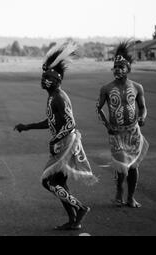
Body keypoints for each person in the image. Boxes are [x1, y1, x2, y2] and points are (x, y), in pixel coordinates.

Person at [14, 42, 98, 230]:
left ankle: (80, 208)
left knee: (48, 181)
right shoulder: (52, 96)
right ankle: (73, 220)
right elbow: (51, 121)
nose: (43, 80)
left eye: (48, 77)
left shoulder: (59, 97)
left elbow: (70, 123)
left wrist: (54, 140)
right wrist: (27, 127)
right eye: (43, 77)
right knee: (58, 183)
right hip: (63, 142)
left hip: (67, 143)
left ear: (57, 80)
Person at [96, 41, 149, 208]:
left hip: (134, 132)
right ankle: (119, 191)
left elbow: (143, 108)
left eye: (121, 66)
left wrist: (143, 117)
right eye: (115, 66)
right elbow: (98, 109)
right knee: (121, 166)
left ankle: (130, 198)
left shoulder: (137, 87)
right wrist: (107, 125)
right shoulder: (106, 88)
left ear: (128, 69)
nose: (117, 69)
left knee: (133, 166)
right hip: (116, 133)